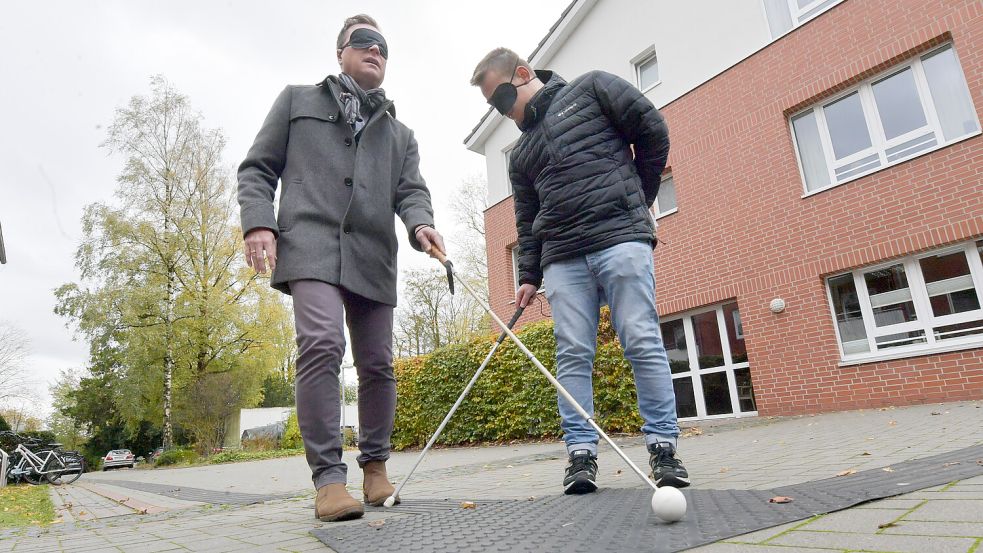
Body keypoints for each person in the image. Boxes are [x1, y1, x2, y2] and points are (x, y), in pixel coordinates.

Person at [238, 14, 445, 522]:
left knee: (377, 364)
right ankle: (329, 481)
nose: (376, 50)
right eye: (364, 42)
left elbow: (411, 191)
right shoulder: (297, 101)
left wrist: (422, 225)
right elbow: (257, 167)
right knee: (322, 344)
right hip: (309, 242)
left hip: (374, 253)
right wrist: (258, 223)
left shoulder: (401, 134)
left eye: (384, 46)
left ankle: (375, 468)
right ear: (340, 51)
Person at [470, 48, 689, 494]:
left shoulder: (592, 88)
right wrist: (527, 275)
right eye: (491, 104)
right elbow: (527, 219)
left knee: (641, 337)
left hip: (619, 239)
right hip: (564, 258)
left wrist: (638, 199)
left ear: (525, 73)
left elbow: (652, 130)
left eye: (501, 98)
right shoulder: (521, 153)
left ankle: (664, 448)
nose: (501, 110)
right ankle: (581, 455)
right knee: (572, 354)